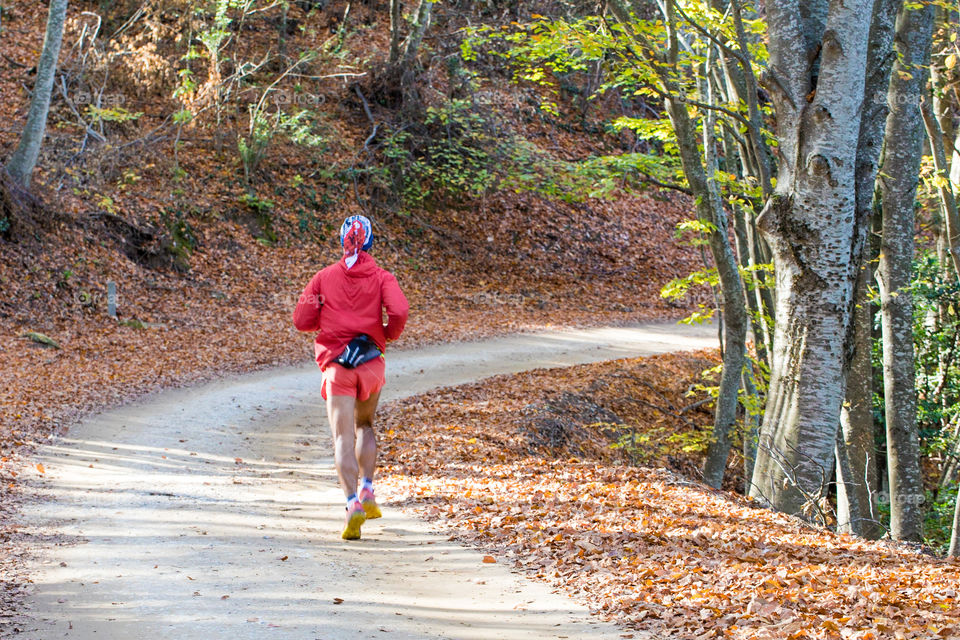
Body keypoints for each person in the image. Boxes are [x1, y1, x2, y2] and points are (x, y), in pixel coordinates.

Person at [292, 214, 409, 540]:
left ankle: (352, 503)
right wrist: (386, 334)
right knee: (365, 426)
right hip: (371, 362)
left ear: (340, 241)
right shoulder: (384, 278)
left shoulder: (322, 278)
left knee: (342, 436)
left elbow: (301, 318)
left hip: (338, 366)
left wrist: (324, 318)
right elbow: (399, 311)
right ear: (371, 242)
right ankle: (369, 489)